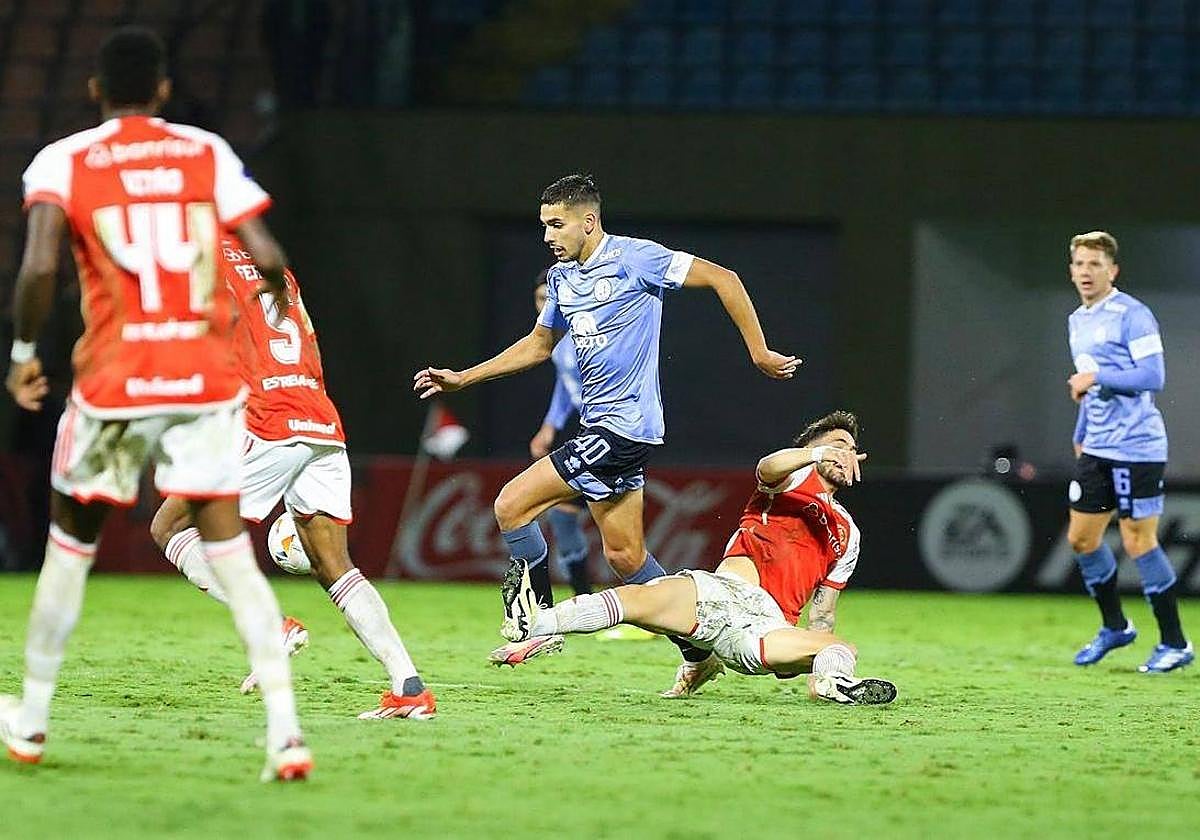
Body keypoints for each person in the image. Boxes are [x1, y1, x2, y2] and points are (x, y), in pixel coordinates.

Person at [0, 27, 312, 780]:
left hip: (113, 379)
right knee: (232, 554)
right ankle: (286, 735)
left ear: (94, 92)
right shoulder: (205, 152)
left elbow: (40, 266)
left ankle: (32, 724)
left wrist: (22, 357)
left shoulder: (63, 161)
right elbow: (267, 257)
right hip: (202, 384)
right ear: (165, 90)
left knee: (69, 555)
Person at [413, 174, 799, 666]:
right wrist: (464, 379)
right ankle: (698, 646)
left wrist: (760, 353)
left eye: (557, 225)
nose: (548, 237)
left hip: (624, 428)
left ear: (588, 222)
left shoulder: (638, 258)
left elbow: (725, 279)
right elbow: (539, 345)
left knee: (511, 506)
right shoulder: (559, 279)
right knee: (626, 559)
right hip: (601, 426)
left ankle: (533, 624)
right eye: (543, 226)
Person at [148, 234, 436, 720]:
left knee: (169, 528)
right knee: (335, 566)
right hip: (320, 418)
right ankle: (409, 686)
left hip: (265, 421)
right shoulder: (273, 265)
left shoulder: (199, 256)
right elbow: (306, 345)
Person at [499, 410, 896, 705]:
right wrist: (818, 453)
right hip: (718, 594)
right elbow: (767, 466)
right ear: (810, 451)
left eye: (852, 449)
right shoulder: (793, 479)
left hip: (764, 629)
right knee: (635, 600)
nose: (848, 454)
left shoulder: (849, 533)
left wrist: (812, 654)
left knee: (839, 649)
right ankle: (536, 627)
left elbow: (823, 614)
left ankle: (833, 684)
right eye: (839, 445)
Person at [1064, 231, 1192, 673]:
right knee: (1082, 539)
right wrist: (1082, 428)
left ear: (1112, 270)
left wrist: (1097, 377)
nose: (1086, 272)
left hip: (1137, 447)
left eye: (1095, 264)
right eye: (1079, 264)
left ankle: (1175, 643)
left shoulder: (1133, 315)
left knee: (1139, 541)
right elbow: (1087, 384)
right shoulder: (1076, 320)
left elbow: (1152, 376)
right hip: (1096, 447)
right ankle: (1115, 627)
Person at [528, 270, 593, 598]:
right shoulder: (557, 342)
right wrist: (549, 426)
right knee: (563, 515)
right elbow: (568, 388)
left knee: (623, 544)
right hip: (587, 434)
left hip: (609, 435)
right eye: (539, 299)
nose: (544, 307)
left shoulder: (586, 336)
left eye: (549, 300)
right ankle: (584, 600)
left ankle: (661, 612)